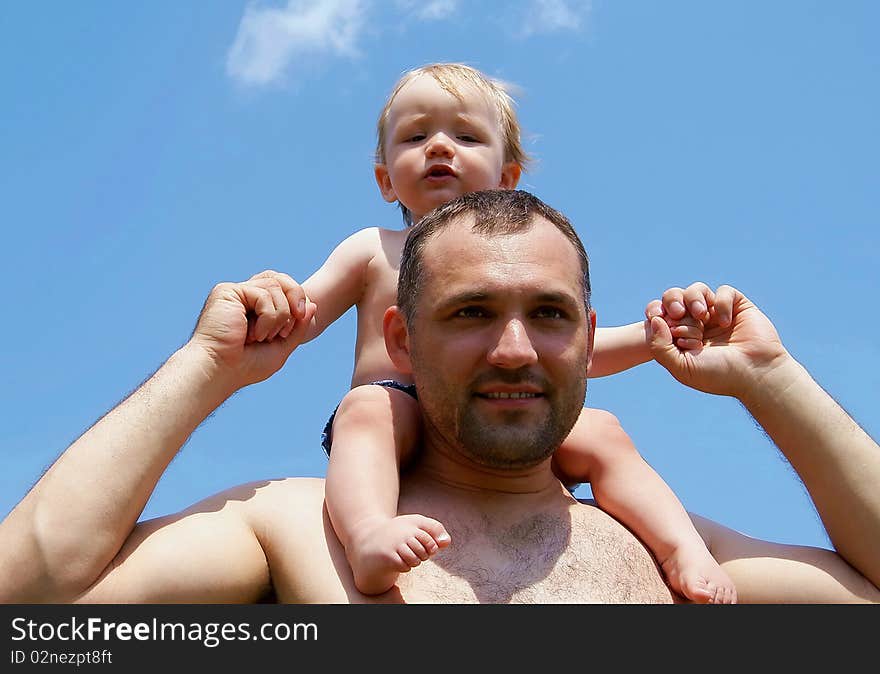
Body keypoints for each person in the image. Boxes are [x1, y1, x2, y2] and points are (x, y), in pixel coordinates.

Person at [1, 188, 878, 604]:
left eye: (549, 314)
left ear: (586, 335)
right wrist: (205, 368)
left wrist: (772, 381)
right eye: (470, 313)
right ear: (400, 343)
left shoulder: (672, 550)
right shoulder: (299, 529)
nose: (513, 349)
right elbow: (29, 607)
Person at [298, 62, 735, 601]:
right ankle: (366, 535)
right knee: (364, 411)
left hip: (508, 413)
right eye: (415, 136)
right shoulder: (372, 249)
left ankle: (681, 549)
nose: (439, 146)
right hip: (397, 409)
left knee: (603, 430)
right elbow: (305, 310)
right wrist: (274, 302)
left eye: (466, 135)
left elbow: (572, 357)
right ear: (386, 177)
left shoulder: (526, 259)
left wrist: (655, 340)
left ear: (507, 177)